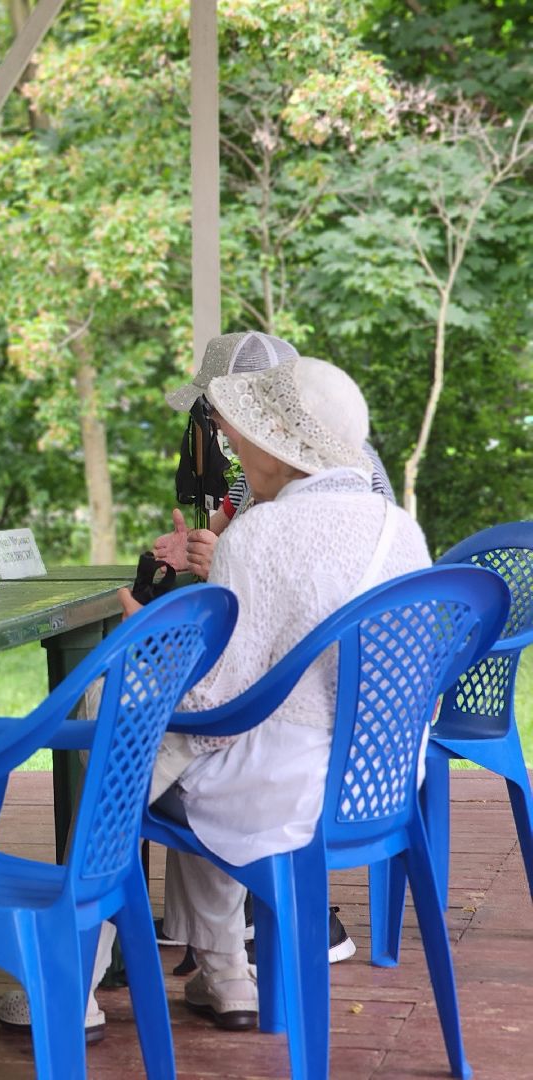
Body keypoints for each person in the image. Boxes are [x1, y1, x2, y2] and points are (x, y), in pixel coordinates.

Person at [129, 356, 429, 1029]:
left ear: (278, 442)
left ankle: (85, 977)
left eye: (244, 432)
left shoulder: (260, 535)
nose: (232, 443)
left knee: (127, 741)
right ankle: (223, 971)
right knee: (184, 753)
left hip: (286, 797)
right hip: (380, 784)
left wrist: (143, 652)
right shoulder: (400, 528)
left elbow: (213, 711)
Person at [155, 331, 395, 579]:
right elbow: (223, 529)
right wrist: (192, 550)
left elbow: (336, 576)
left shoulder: (337, 467)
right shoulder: (261, 470)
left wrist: (227, 567)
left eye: (214, 410)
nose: (213, 424)